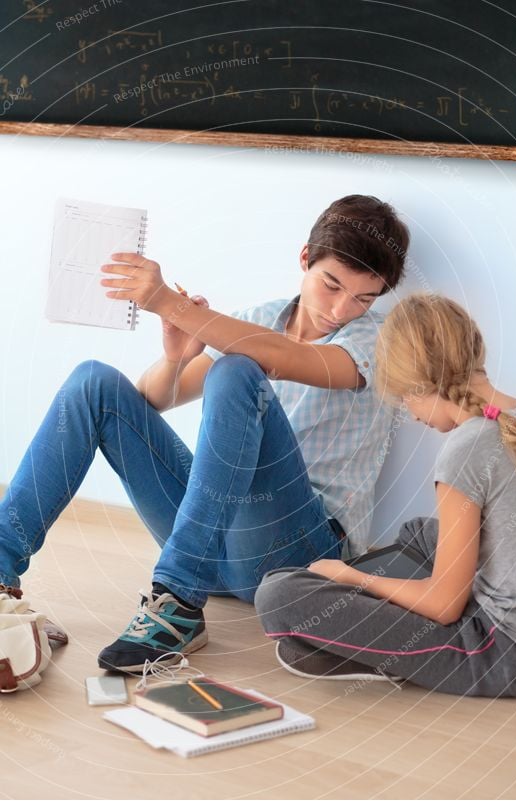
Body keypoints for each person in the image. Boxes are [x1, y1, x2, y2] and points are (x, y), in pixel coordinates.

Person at [0, 194, 409, 673]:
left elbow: (281, 358)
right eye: (331, 285)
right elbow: (147, 402)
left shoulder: (378, 340)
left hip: (299, 552)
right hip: (214, 544)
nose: (341, 310)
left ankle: (176, 600)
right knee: (93, 384)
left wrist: (164, 300)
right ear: (305, 258)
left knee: (237, 369)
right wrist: (176, 357)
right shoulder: (259, 320)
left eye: (363, 297)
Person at [256, 292, 516, 697]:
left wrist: (352, 577)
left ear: (416, 384)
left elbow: (444, 605)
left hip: (506, 652)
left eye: (403, 399)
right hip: (512, 612)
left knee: (278, 595)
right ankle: (357, 626)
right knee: (421, 532)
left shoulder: (465, 450)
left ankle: (357, 627)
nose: (411, 413)